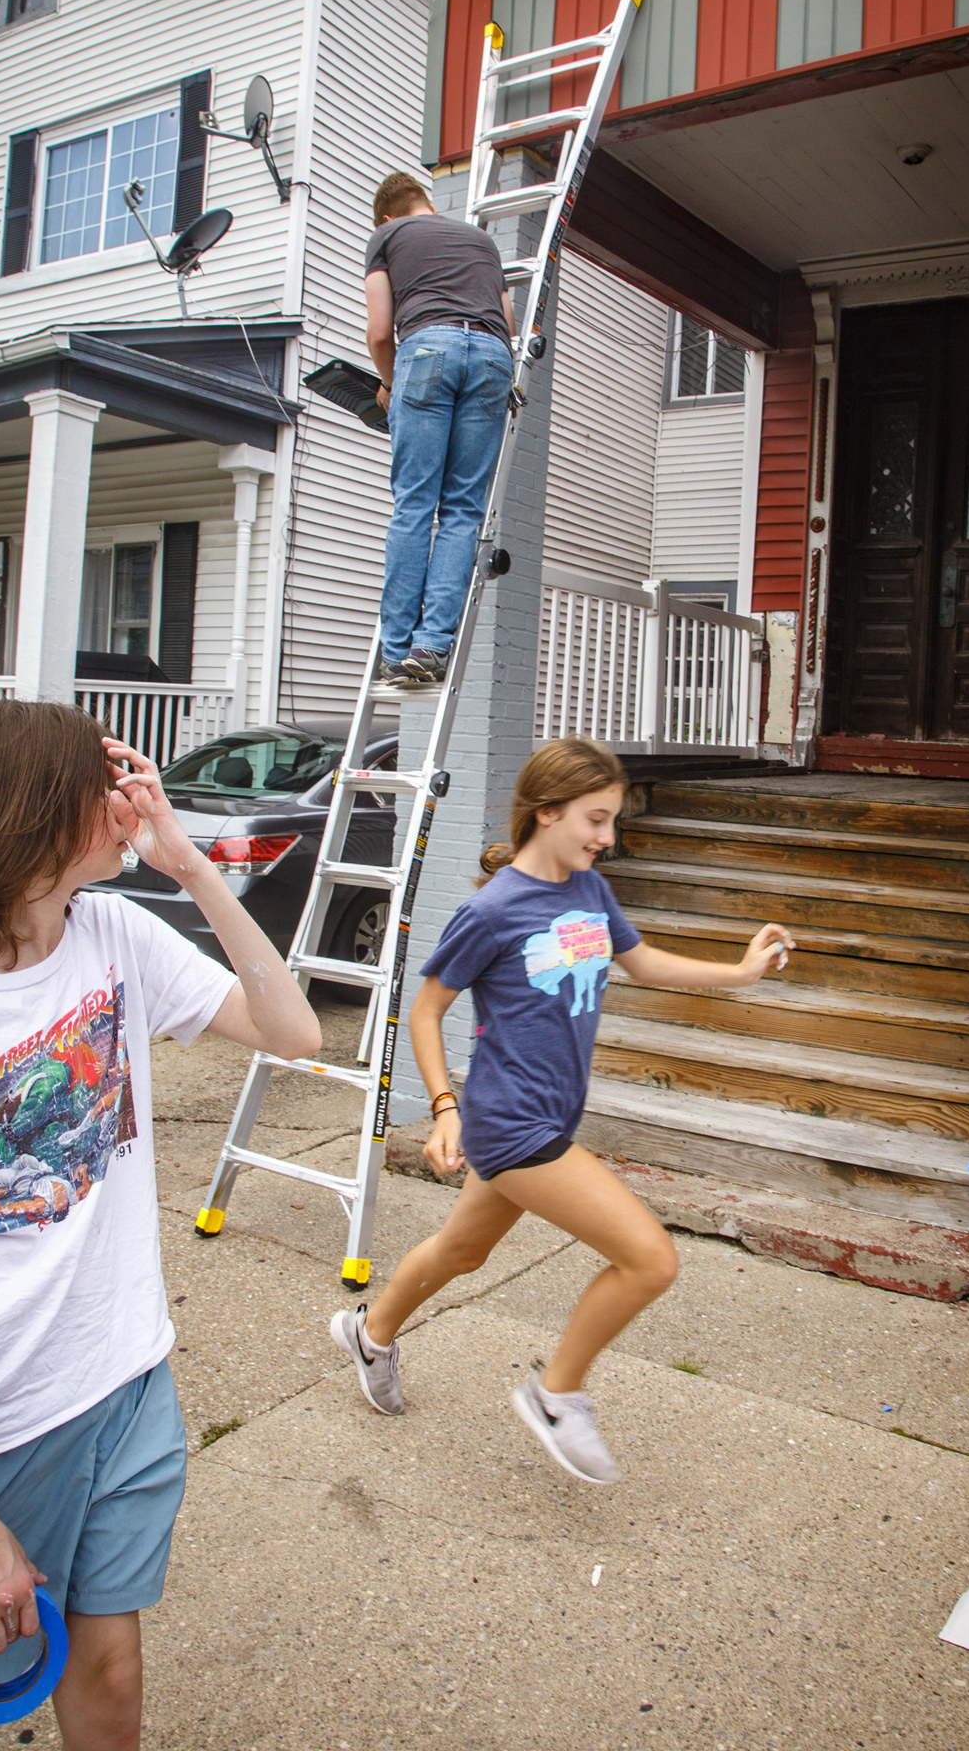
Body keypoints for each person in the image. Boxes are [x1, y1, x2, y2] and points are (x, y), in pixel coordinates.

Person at [0, 701, 322, 1751]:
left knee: (110, 1661)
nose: (127, 803)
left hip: (123, 1379)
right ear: (30, 813)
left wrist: (195, 867)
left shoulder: (114, 932)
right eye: (102, 784)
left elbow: (290, 1030)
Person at [330, 735, 794, 1484]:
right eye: (596, 819)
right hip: (510, 1122)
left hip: (549, 1115)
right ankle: (557, 1395)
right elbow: (424, 1012)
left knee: (462, 1251)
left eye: (611, 820)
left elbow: (642, 963)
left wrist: (740, 974)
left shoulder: (589, 891)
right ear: (546, 813)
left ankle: (369, 1332)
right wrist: (445, 1109)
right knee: (649, 1259)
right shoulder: (492, 910)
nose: (607, 837)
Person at [363, 170, 516, 692]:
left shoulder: (387, 237)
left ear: (388, 215)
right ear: (424, 202)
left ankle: (397, 647)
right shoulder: (483, 242)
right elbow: (508, 325)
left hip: (427, 350)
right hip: (494, 361)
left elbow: (382, 331)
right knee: (462, 510)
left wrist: (389, 385)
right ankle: (431, 646)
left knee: (414, 502)